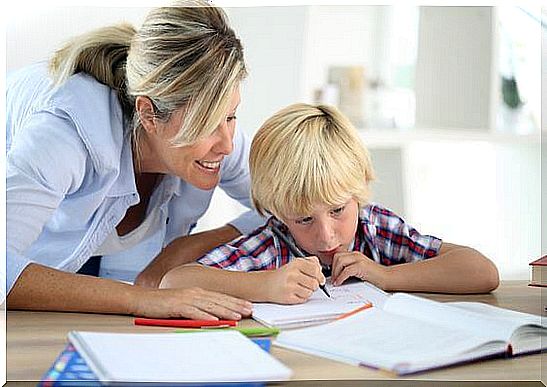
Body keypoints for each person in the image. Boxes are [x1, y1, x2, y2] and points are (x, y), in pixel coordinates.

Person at [6, 0, 265, 319]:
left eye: (231, 116)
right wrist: (139, 299)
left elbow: (290, 205)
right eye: (207, 123)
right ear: (148, 114)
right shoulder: (66, 133)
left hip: (92, 250)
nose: (226, 145)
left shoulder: (221, 141)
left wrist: (186, 247)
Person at [159, 103, 500, 304]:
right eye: (304, 219)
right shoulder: (273, 245)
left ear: (358, 190)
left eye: (337, 210)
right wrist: (266, 285)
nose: (326, 237)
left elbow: (481, 272)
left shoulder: (376, 229)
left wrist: (386, 276)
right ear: (278, 214)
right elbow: (173, 282)